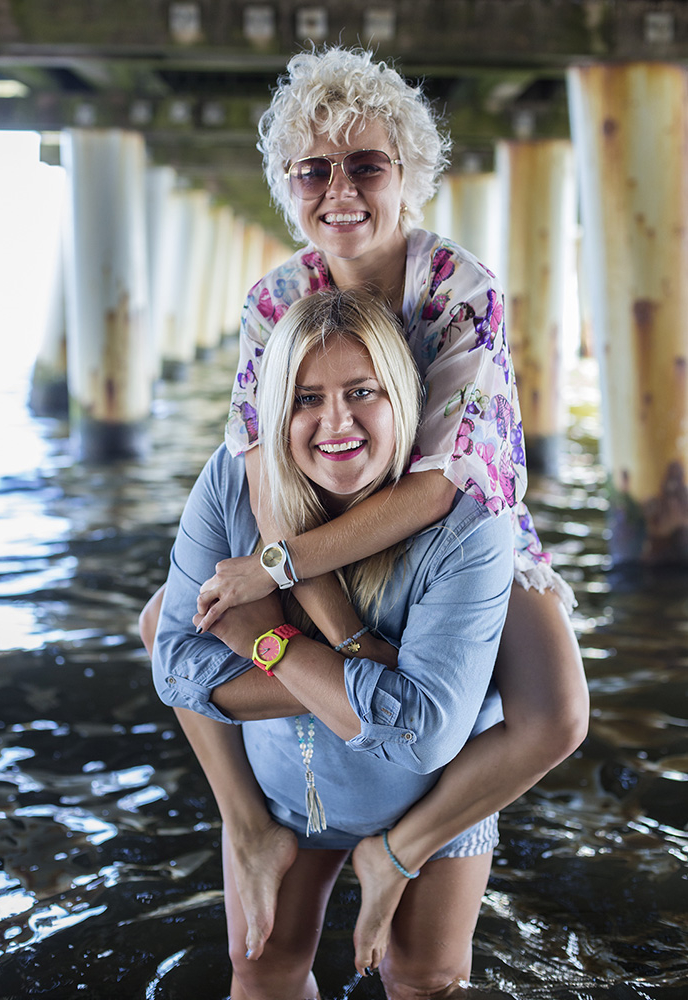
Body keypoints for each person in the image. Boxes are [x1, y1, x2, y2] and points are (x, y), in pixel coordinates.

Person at [141, 45, 588, 979]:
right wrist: (334, 629)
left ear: (409, 176)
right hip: (310, 524)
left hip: (456, 517)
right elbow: (263, 461)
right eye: (314, 169)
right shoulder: (275, 298)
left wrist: (274, 588)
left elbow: (440, 485)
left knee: (551, 714)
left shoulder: (458, 290)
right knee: (165, 625)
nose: (338, 189)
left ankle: (401, 846)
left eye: (367, 165)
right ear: (287, 185)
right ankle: (246, 821)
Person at [153, 287, 515, 1000]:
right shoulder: (231, 480)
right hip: (286, 792)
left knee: (425, 978)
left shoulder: (470, 521)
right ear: (273, 410)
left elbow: (423, 740)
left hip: (431, 806)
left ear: (405, 398)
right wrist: (361, 682)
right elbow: (174, 664)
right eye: (305, 399)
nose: (335, 422)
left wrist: (273, 645)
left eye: (362, 392)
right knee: (259, 975)